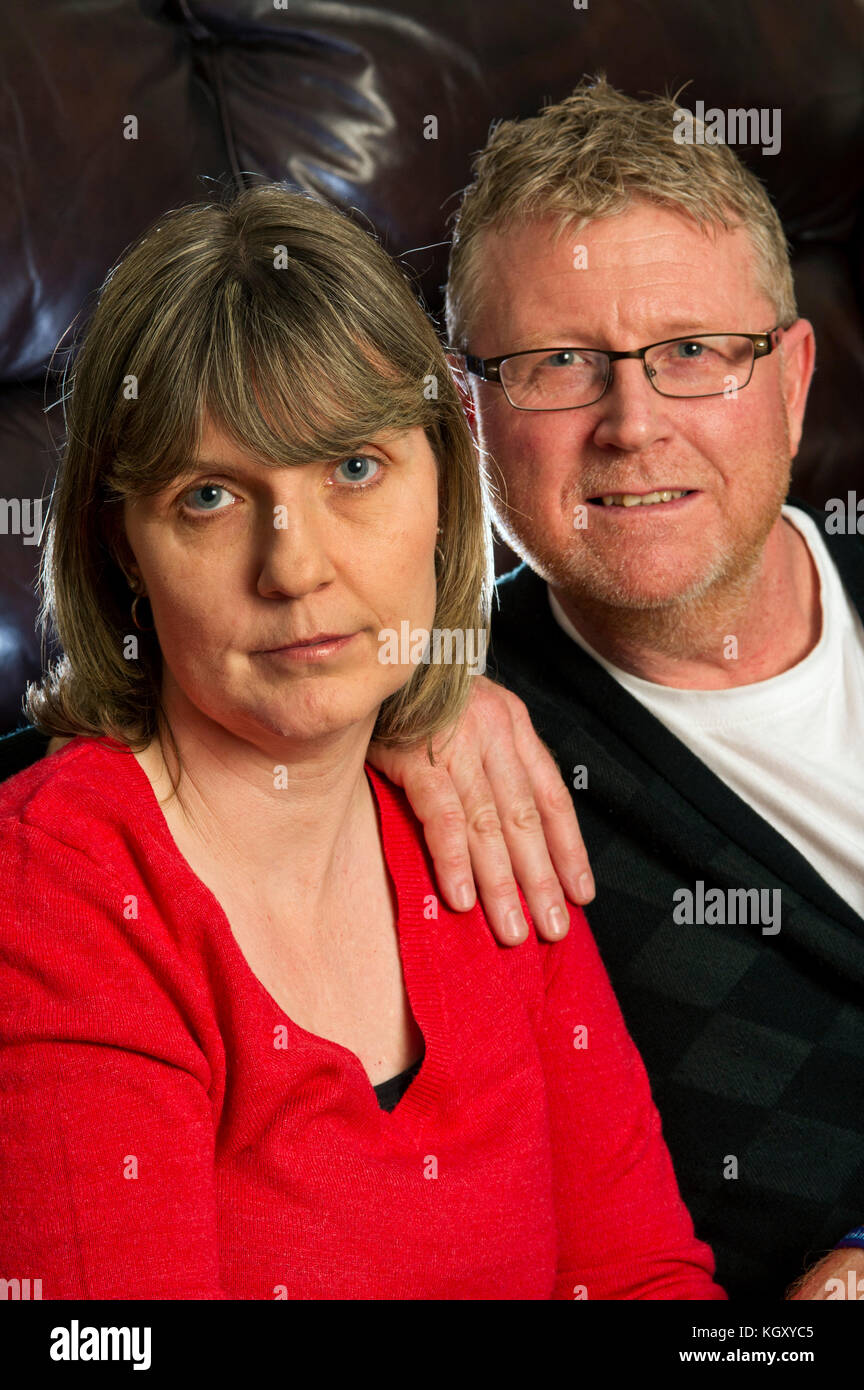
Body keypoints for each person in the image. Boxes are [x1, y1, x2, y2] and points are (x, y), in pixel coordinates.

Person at [0, 183, 725, 1300]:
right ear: (123, 549)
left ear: (446, 485)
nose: (293, 567)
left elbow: (641, 1284)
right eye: (209, 497)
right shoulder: (62, 885)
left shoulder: (480, 818)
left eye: (352, 470)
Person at [430, 77, 864, 1301]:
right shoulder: (448, 727)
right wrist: (396, 675)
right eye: (558, 362)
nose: (632, 422)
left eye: (691, 353)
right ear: (471, 412)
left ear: (790, 378)